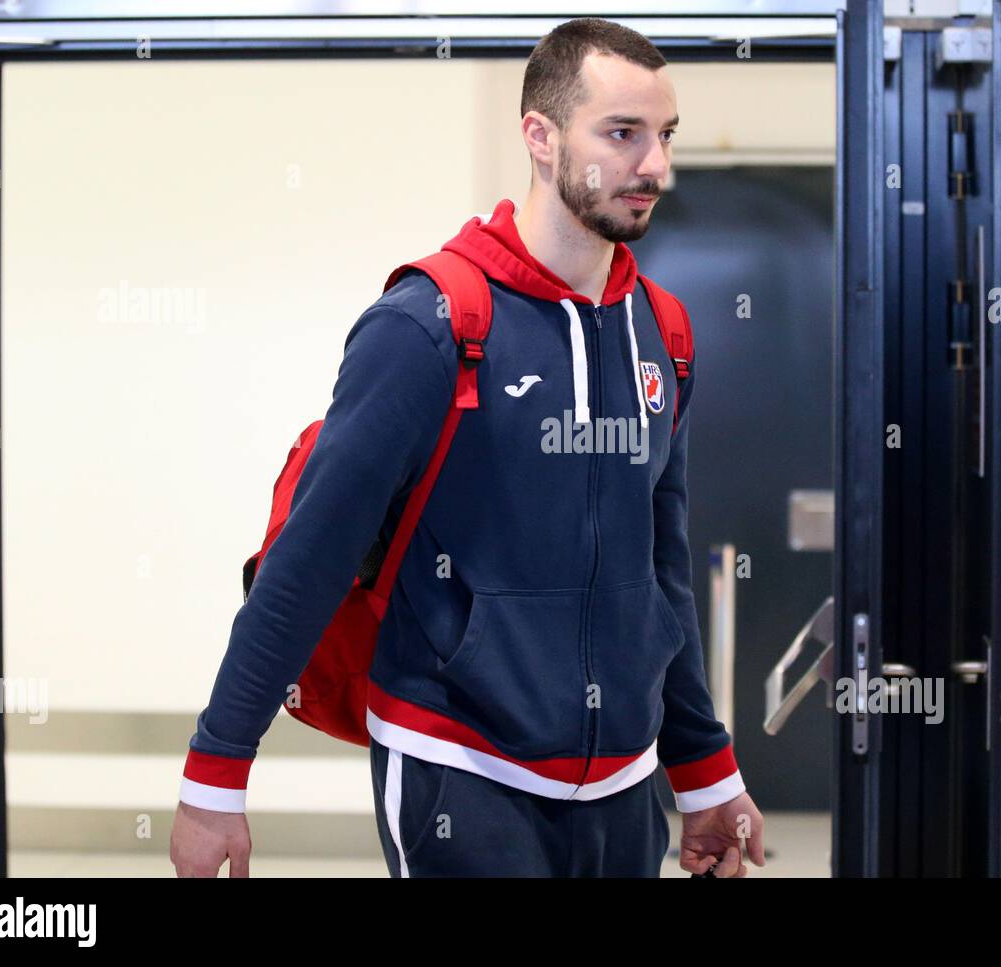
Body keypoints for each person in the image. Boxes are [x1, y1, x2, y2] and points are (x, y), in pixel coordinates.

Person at [170, 16, 764, 878]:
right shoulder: (431, 323)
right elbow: (311, 554)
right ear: (540, 136)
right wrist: (216, 771)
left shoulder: (661, 333)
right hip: (462, 773)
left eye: (664, 136)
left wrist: (704, 770)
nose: (655, 167)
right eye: (623, 134)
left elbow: (658, 576)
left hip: (627, 786)